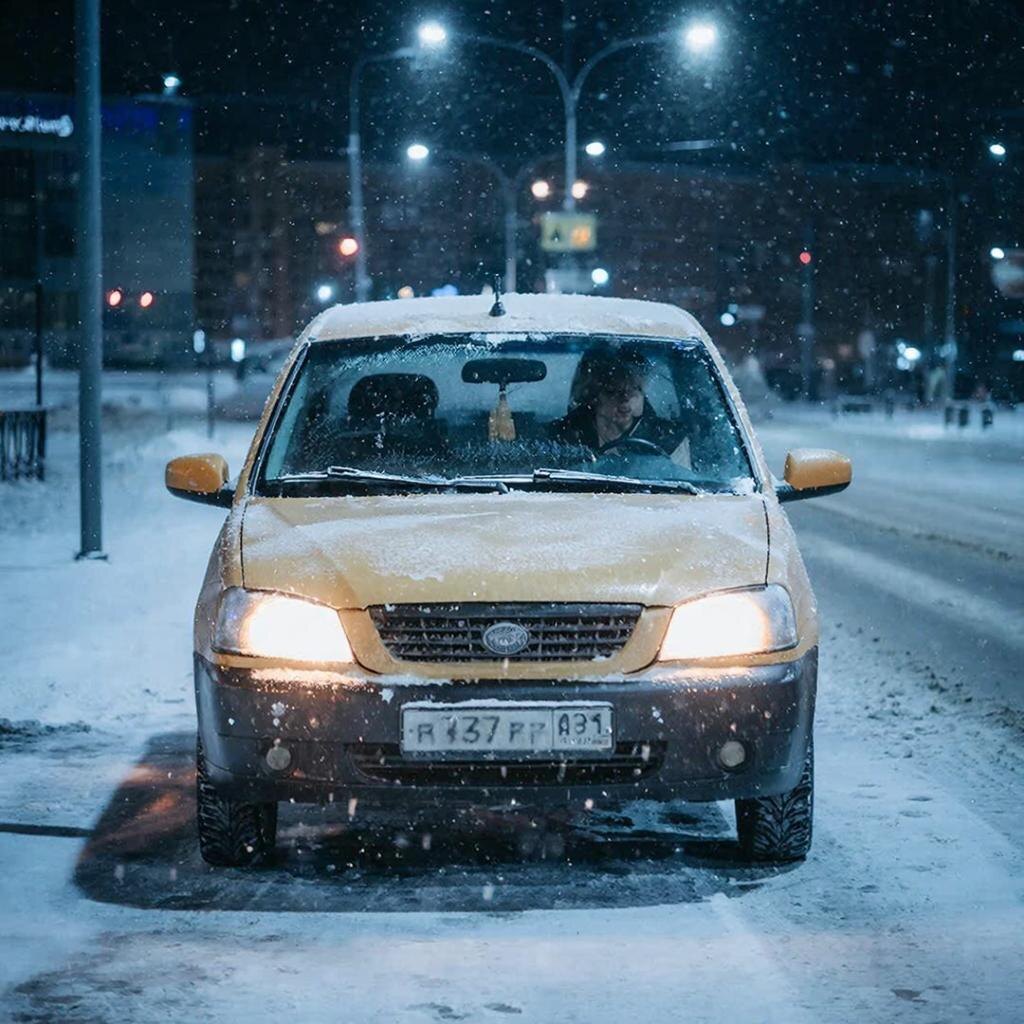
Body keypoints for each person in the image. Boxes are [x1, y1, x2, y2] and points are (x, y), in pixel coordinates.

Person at [549, 347, 691, 466]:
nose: (625, 399)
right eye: (613, 391)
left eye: (634, 389)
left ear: (643, 394)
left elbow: (686, 493)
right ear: (594, 397)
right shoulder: (562, 438)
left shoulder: (669, 440)